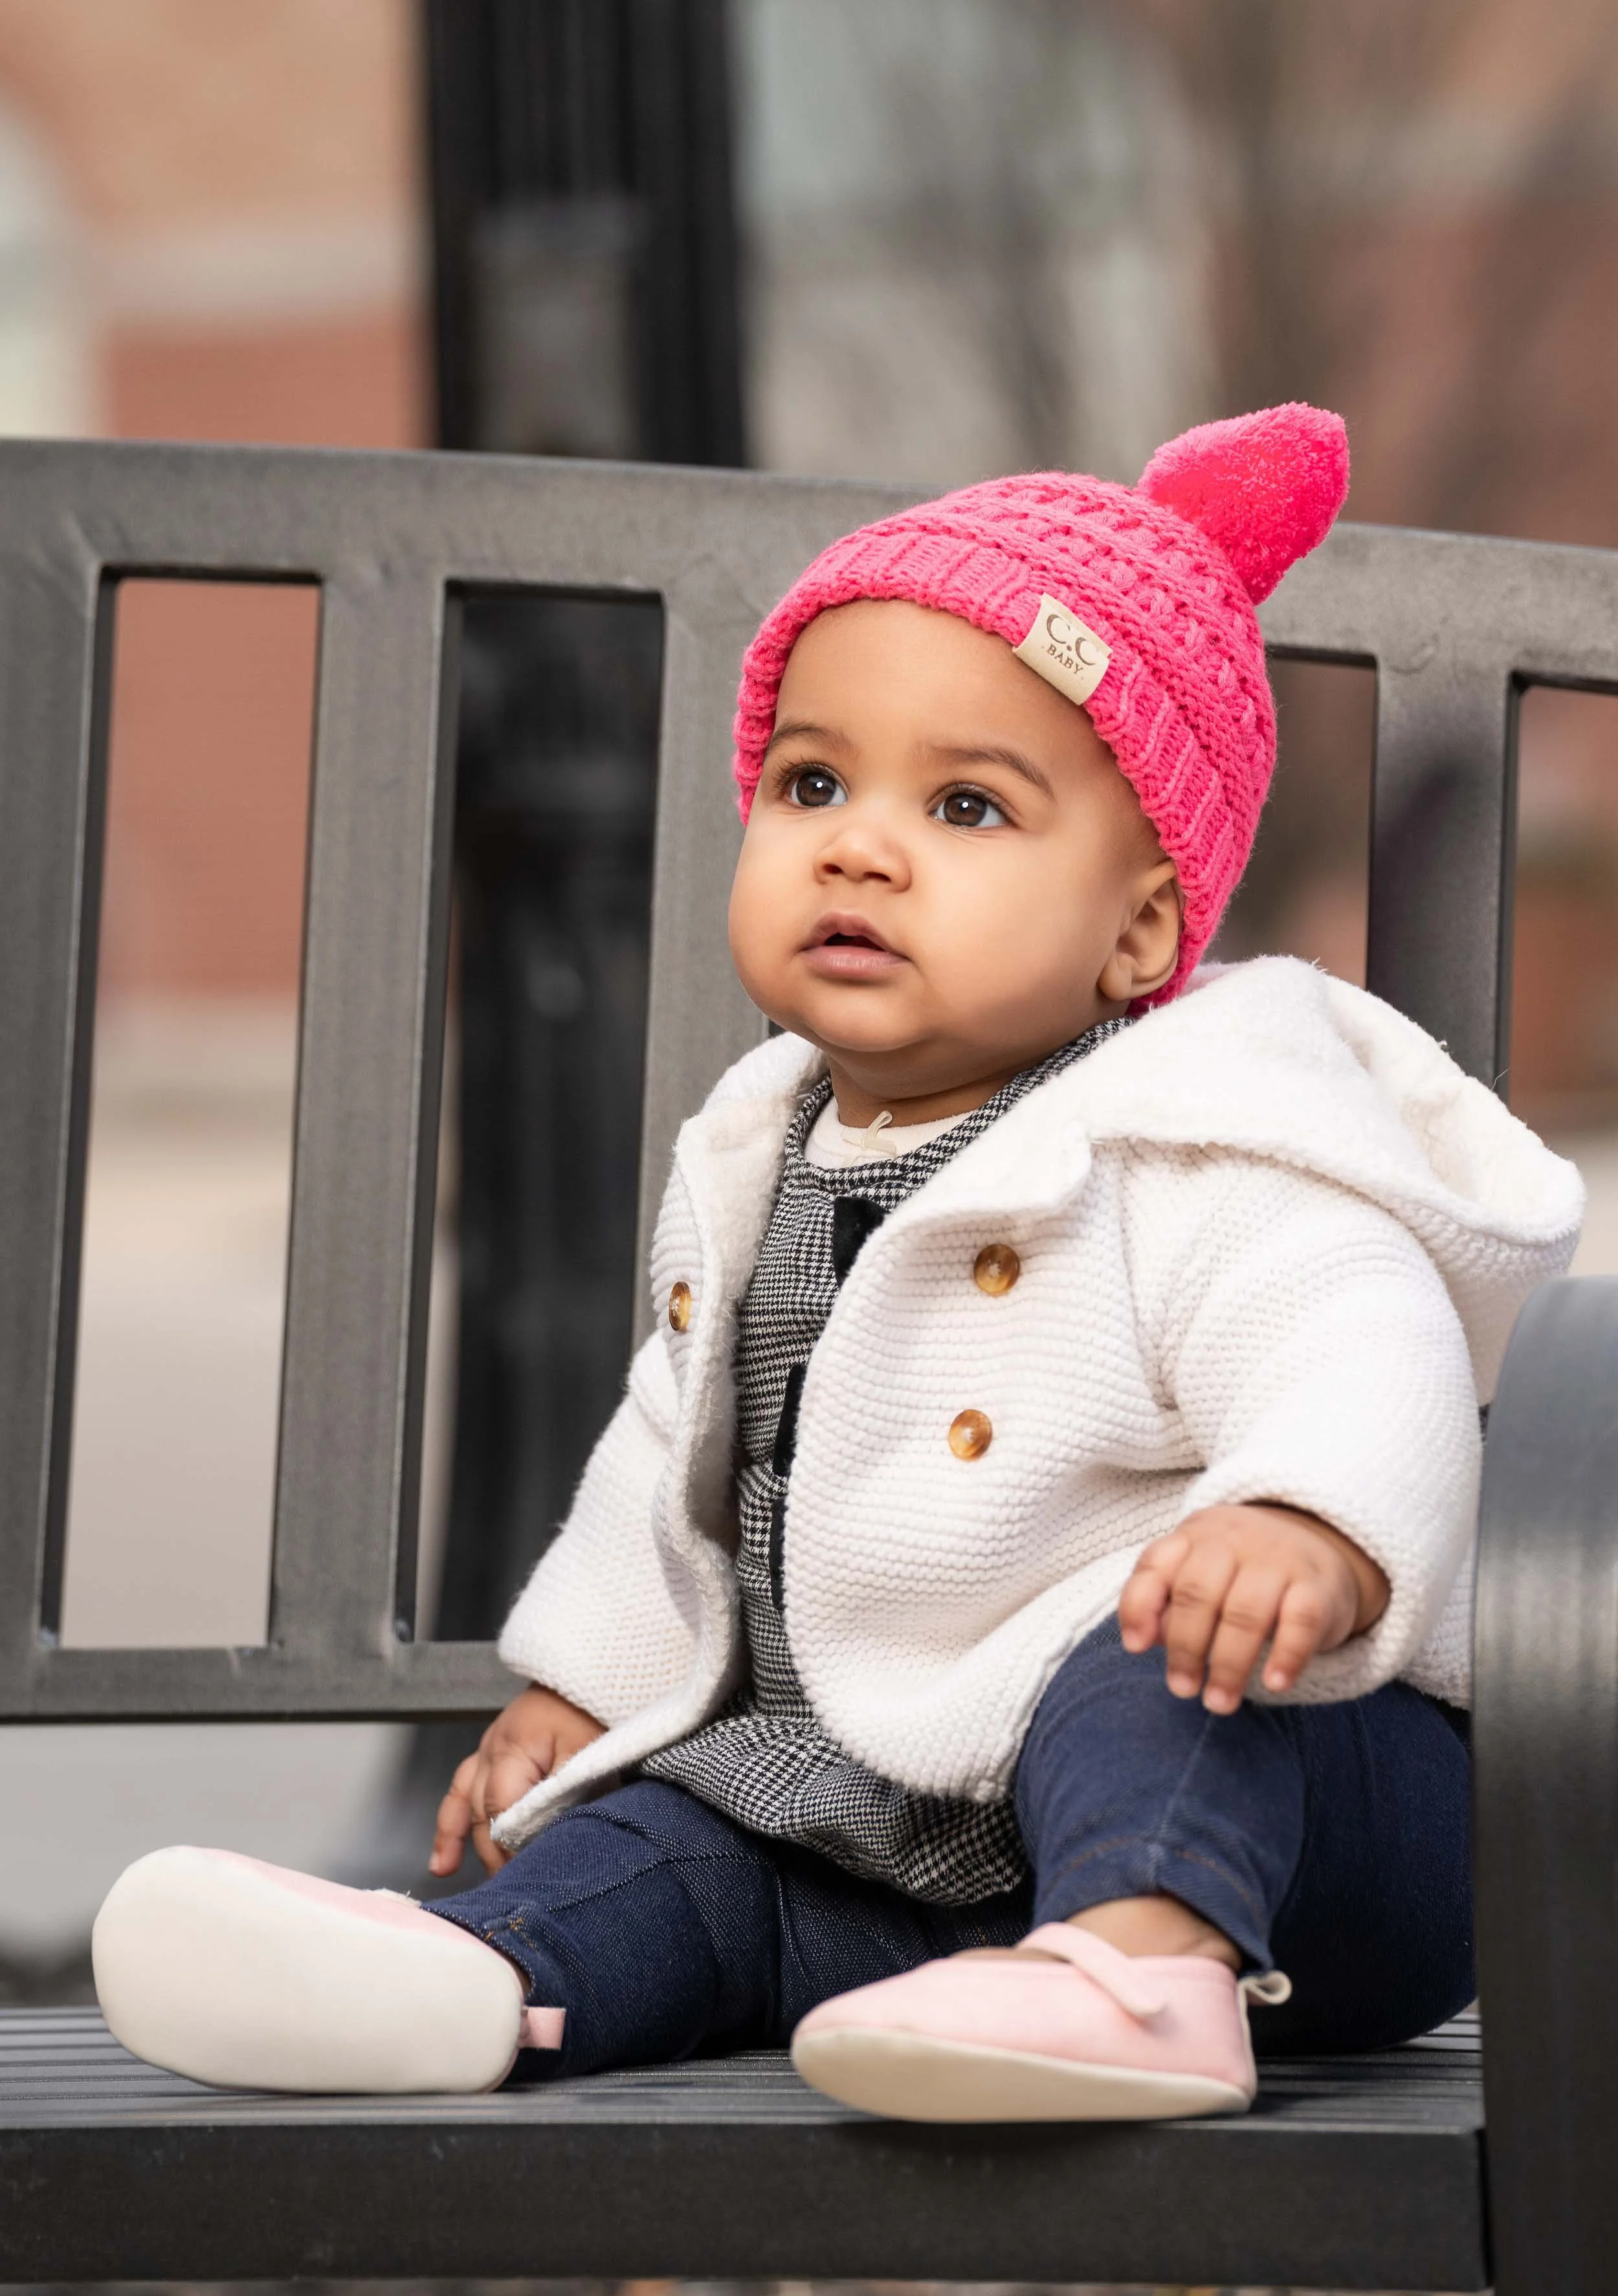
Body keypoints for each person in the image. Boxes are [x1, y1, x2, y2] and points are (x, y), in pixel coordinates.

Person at [91, 405, 1582, 2122]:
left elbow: (1357, 1334)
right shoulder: (755, 1151)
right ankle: (476, 1979)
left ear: (1143, 927)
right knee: (687, 1838)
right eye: (813, 781)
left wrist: (1300, 1520)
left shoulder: (1190, 1132)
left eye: (964, 803)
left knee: (1154, 1657)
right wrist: (583, 1684)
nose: (860, 843)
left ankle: (1144, 1975)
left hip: (1310, 1830)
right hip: (903, 1833)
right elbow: (673, 1466)